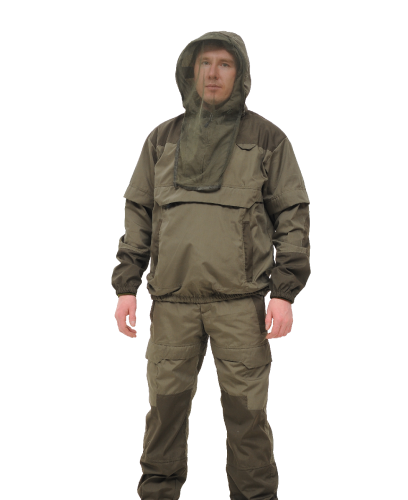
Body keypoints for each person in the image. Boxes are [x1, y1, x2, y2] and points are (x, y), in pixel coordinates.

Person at [112, 30, 310, 500]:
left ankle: (255, 497)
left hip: (240, 303)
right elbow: (139, 212)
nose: (214, 73)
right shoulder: (162, 138)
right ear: (190, 71)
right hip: (172, 301)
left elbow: (292, 215)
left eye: (225, 64)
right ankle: (158, 494)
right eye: (205, 64)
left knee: (247, 416)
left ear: (240, 74)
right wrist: (126, 286)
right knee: (164, 412)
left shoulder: (267, 137)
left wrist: (283, 293)